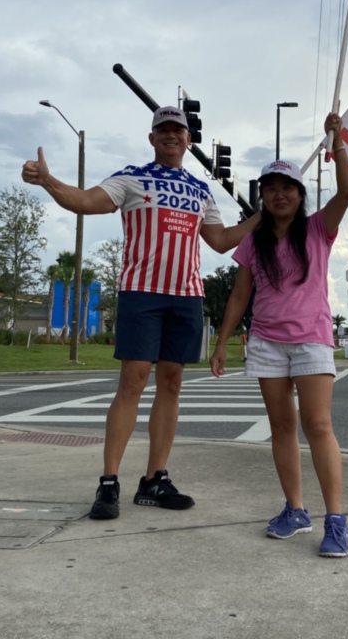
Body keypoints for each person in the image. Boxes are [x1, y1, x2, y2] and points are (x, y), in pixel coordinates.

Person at [22, 105, 259, 520]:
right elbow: (84, 201)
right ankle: (109, 483)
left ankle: (154, 480)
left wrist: (259, 219)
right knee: (131, 382)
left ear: (189, 139)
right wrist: (49, 182)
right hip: (141, 292)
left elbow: (220, 241)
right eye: (162, 130)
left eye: (178, 130)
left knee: (171, 384)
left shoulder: (201, 190)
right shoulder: (131, 178)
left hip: (186, 295)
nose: (171, 135)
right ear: (152, 138)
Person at [210, 113, 348, 557]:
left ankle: (336, 520)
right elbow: (239, 296)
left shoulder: (317, 230)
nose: (279, 194)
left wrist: (339, 143)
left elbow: (347, 191)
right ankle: (295, 509)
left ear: (300, 194)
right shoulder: (253, 241)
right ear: (262, 196)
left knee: (318, 425)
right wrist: (220, 342)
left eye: (288, 187)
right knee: (281, 426)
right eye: (271, 188)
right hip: (267, 343)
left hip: (311, 338)